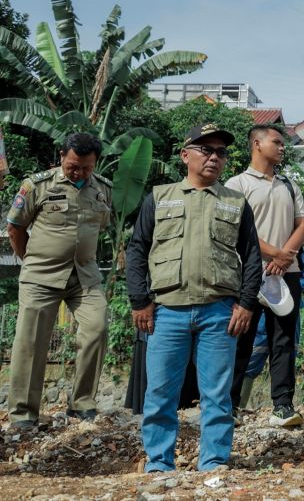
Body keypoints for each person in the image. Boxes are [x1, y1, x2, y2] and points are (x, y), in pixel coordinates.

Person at [124, 123, 261, 472]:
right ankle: (159, 463)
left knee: (217, 396)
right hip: (167, 311)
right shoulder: (159, 197)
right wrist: (140, 300)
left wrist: (245, 303)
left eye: (221, 152)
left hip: (219, 312)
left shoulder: (236, 202)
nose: (215, 157)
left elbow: (252, 256)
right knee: (160, 395)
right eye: (206, 150)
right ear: (186, 155)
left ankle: (213, 462)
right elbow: (137, 250)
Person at [5, 133, 111, 430]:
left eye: (86, 168)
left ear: (95, 164)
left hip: (85, 276)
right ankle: (24, 415)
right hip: (41, 276)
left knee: (96, 328)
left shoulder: (103, 189)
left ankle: (82, 405)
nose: (78, 173)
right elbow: (15, 228)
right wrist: (32, 262)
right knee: (31, 343)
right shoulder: (36, 185)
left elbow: (99, 227)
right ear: (61, 156)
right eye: (73, 166)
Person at [227, 124, 304, 428]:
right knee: (240, 339)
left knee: (284, 340)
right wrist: (274, 254)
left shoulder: (289, 185)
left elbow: (302, 224)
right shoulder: (237, 184)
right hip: (248, 274)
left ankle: (283, 406)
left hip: (287, 275)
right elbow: (235, 231)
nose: (282, 146)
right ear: (257, 145)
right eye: (276, 141)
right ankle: (229, 406)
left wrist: (284, 256)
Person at [240, 247, 304, 409]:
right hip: (262, 307)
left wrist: (289, 283)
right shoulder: (260, 252)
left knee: (286, 352)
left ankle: (282, 405)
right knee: (253, 358)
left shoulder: (302, 253)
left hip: (287, 308)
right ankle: (239, 405)